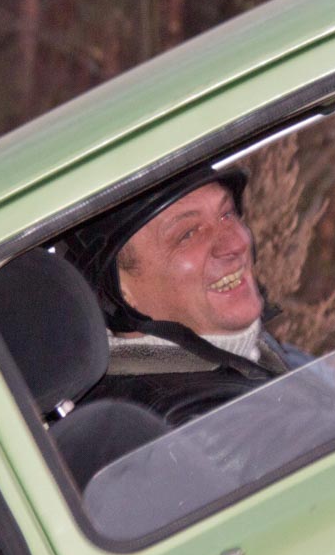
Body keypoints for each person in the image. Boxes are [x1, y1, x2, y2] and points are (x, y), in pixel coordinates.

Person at [65, 165, 310, 428]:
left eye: (227, 214)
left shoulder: (247, 354)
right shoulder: (190, 423)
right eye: (188, 234)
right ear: (122, 291)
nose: (236, 243)